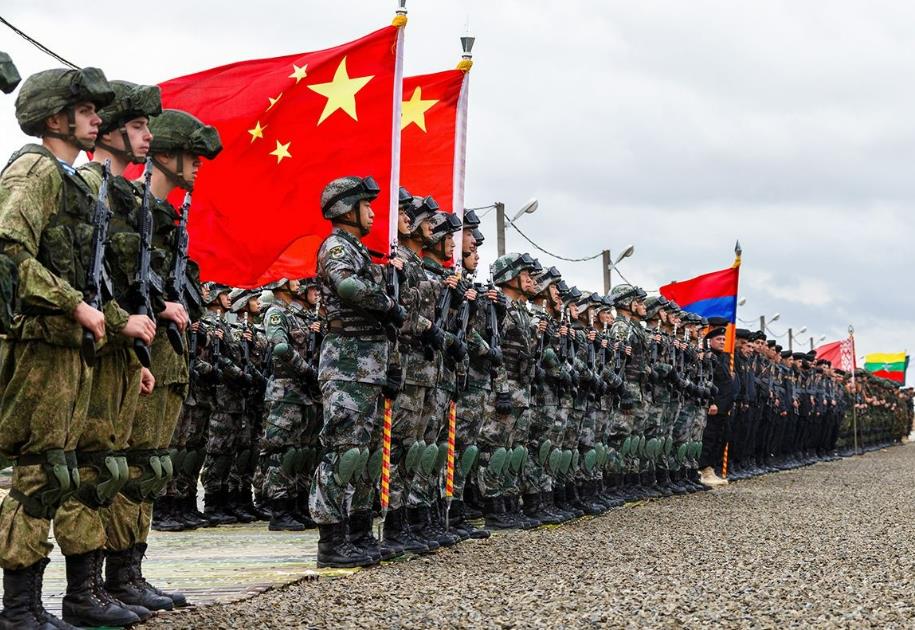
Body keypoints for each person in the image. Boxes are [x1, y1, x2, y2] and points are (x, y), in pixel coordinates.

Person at [0, 66, 132, 629]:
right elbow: (8, 251)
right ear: (56, 119)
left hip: (68, 348)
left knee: (64, 472)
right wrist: (72, 303)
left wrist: (115, 326)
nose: (96, 120)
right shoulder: (34, 170)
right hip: (39, 344)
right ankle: (19, 608)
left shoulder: (69, 179)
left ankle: (59, 599)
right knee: (41, 474)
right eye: (85, 112)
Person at [310, 175, 404, 568]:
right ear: (346, 209)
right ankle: (331, 541)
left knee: (365, 455)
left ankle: (359, 532)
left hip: (369, 366)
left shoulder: (359, 251)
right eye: (366, 205)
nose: (373, 213)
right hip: (346, 364)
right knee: (343, 452)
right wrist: (388, 304)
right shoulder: (336, 248)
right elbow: (347, 287)